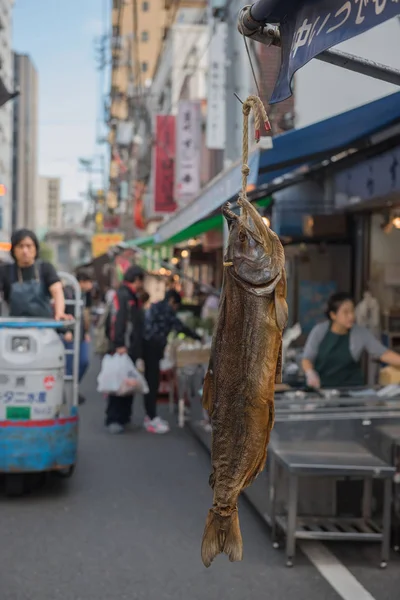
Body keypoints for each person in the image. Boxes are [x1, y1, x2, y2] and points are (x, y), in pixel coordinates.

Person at [302, 292, 400, 389]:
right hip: (322, 389)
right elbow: (307, 358)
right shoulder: (319, 331)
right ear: (333, 315)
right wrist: (310, 374)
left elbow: (383, 354)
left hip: (350, 390)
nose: (351, 316)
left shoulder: (360, 333)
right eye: (346, 312)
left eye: (352, 311)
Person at [142, 290, 201, 434]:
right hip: (153, 349)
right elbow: (179, 326)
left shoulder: (155, 307)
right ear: (172, 301)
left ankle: (150, 415)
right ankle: (151, 417)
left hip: (147, 347)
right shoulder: (166, 310)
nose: (175, 309)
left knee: (151, 381)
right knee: (152, 382)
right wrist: (197, 337)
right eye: (176, 306)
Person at [105, 265, 146, 434]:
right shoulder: (123, 295)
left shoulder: (131, 295)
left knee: (128, 382)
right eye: (141, 281)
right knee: (118, 384)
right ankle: (114, 419)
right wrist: (118, 344)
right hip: (123, 347)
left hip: (131, 347)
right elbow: (117, 321)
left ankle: (124, 418)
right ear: (136, 280)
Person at [0, 228, 68, 319]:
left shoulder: (45, 268)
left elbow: (57, 290)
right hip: (13, 326)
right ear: (14, 250)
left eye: (29, 246)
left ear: (35, 248)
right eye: (20, 246)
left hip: (44, 326)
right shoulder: (5, 270)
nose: (25, 251)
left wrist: (59, 312)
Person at [64, 272, 94, 404]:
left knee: (84, 361)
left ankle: (73, 389)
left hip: (81, 333)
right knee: (69, 366)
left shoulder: (85, 295)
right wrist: (66, 330)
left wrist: (86, 331)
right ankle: (67, 393)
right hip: (70, 335)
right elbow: (61, 312)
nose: (91, 285)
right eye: (89, 282)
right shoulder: (68, 292)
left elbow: (84, 314)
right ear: (81, 281)